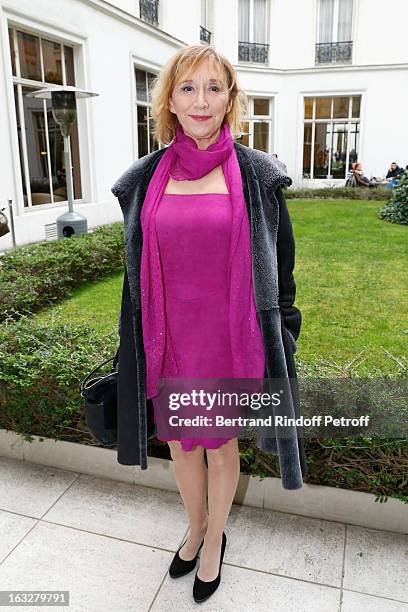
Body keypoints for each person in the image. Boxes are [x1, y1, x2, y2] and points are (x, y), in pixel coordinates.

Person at [111, 44, 306, 604]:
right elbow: (134, 273)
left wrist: (283, 333)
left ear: (230, 99)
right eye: (188, 87)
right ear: (169, 98)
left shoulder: (258, 177)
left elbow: (281, 268)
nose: (201, 100)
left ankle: (214, 540)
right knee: (181, 448)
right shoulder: (144, 181)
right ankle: (193, 530)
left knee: (220, 448)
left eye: (213, 87)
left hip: (228, 341)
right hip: (169, 339)